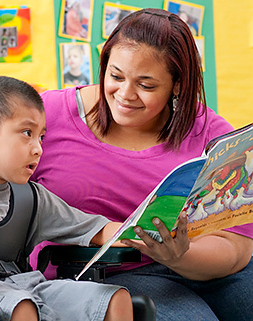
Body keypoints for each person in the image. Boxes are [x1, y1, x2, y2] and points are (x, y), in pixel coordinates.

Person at [30, 8, 253, 321]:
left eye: (146, 85)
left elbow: (236, 247)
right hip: (106, 272)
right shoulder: (45, 115)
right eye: (116, 76)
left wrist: (182, 254)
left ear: (177, 85)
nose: (125, 94)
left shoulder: (210, 132)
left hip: (202, 264)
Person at [0, 76, 134, 321]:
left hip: (25, 284)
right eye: (26, 133)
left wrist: (149, 228)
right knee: (22, 307)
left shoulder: (31, 198)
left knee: (114, 299)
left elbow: (98, 230)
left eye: (41, 137)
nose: (38, 148)